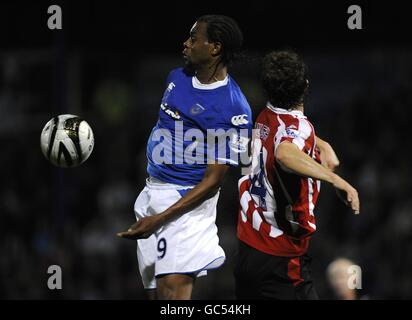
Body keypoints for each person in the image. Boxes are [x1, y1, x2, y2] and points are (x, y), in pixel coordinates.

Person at [117, 15, 252, 300]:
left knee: (173, 297)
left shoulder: (231, 108)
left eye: (193, 39)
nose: (185, 44)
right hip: (152, 193)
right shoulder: (176, 77)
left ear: (214, 48)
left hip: (185, 206)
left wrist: (162, 218)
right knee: (157, 297)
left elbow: (214, 182)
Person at [234, 50, 360, 300]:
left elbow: (284, 135)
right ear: (305, 86)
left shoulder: (264, 115)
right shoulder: (298, 128)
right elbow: (284, 153)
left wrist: (320, 144)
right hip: (282, 258)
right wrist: (336, 179)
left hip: (249, 245)